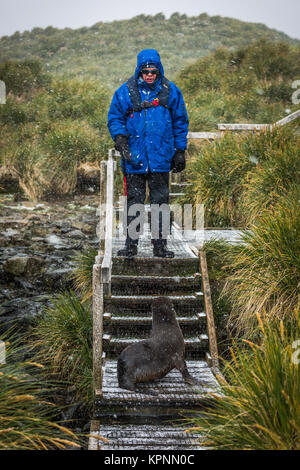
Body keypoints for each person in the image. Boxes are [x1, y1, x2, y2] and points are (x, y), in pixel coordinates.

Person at [107, 49, 189, 258]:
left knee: (160, 204)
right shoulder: (125, 92)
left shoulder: (171, 91)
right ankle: (130, 246)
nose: (150, 74)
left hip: (161, 159)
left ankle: (160, 246)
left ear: (158, 69)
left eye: (153, 71)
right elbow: (115, 117)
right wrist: (120, 138)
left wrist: (180, 150)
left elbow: (180, 122)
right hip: (133, 159)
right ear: (140, 71)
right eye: (146, 71)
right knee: (134, 203)